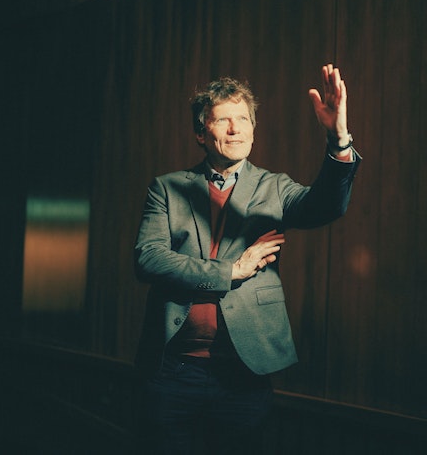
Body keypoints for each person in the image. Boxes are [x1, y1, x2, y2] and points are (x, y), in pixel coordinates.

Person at [133, 64, 360, 454]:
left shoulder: (275, 187)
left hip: (244, 372)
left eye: (243, 119)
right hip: (173, 370)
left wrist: (338, 139)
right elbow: (148, 258)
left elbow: (327, 205)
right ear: (201, 133)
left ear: (253, 131)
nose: (235, 129)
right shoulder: (167, 189)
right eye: (223, 120)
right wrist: (231, 271)